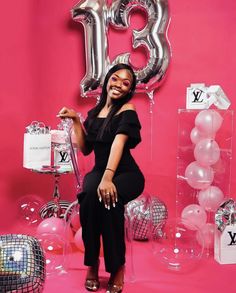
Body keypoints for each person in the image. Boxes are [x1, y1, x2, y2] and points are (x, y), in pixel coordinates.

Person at [58, 63, 145, 293]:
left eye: (126, 83)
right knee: (88, 196)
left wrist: (108, 178)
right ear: (107, 79)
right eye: (116, 79)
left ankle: (117, 267)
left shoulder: (128, 109)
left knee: (110, 200)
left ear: (129, 90)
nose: (119, 85)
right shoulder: (95, 113)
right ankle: (92, 264)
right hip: (99, 172)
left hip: (126, 173)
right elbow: (86, 148)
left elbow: (118, 143)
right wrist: (77, 120)